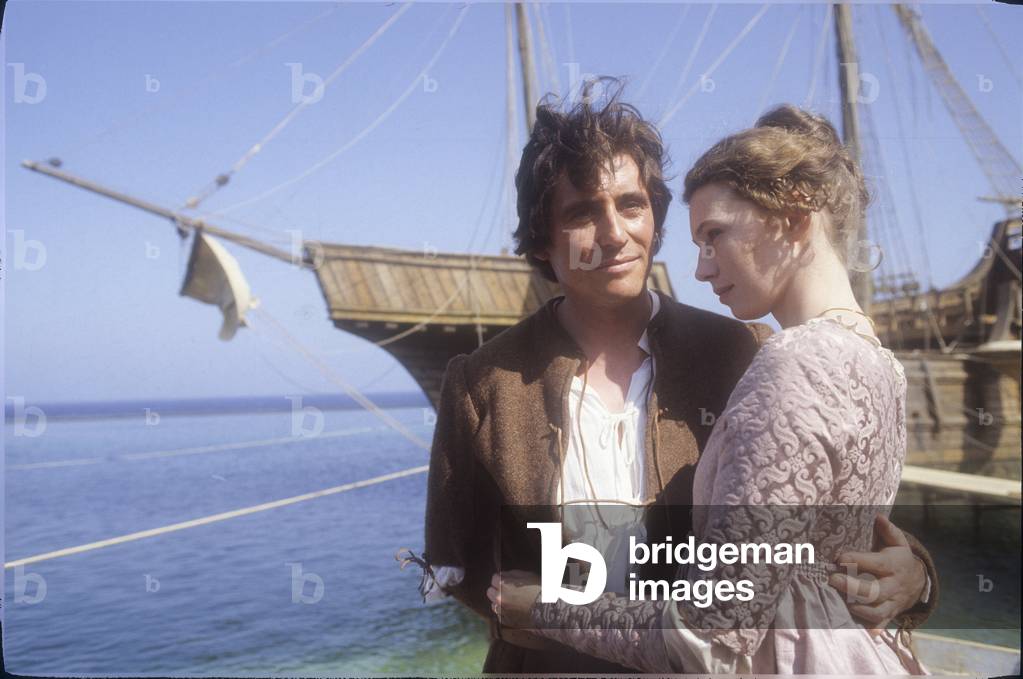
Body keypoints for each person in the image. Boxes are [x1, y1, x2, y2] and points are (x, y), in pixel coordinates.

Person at [419, 79, 936, 674]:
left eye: (631, 205)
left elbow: (821, 523)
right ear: (542, 240)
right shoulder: (483, 383)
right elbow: (456, 563)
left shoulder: (743, 352)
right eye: (583, 212)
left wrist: (916, 574)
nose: (614, 233)